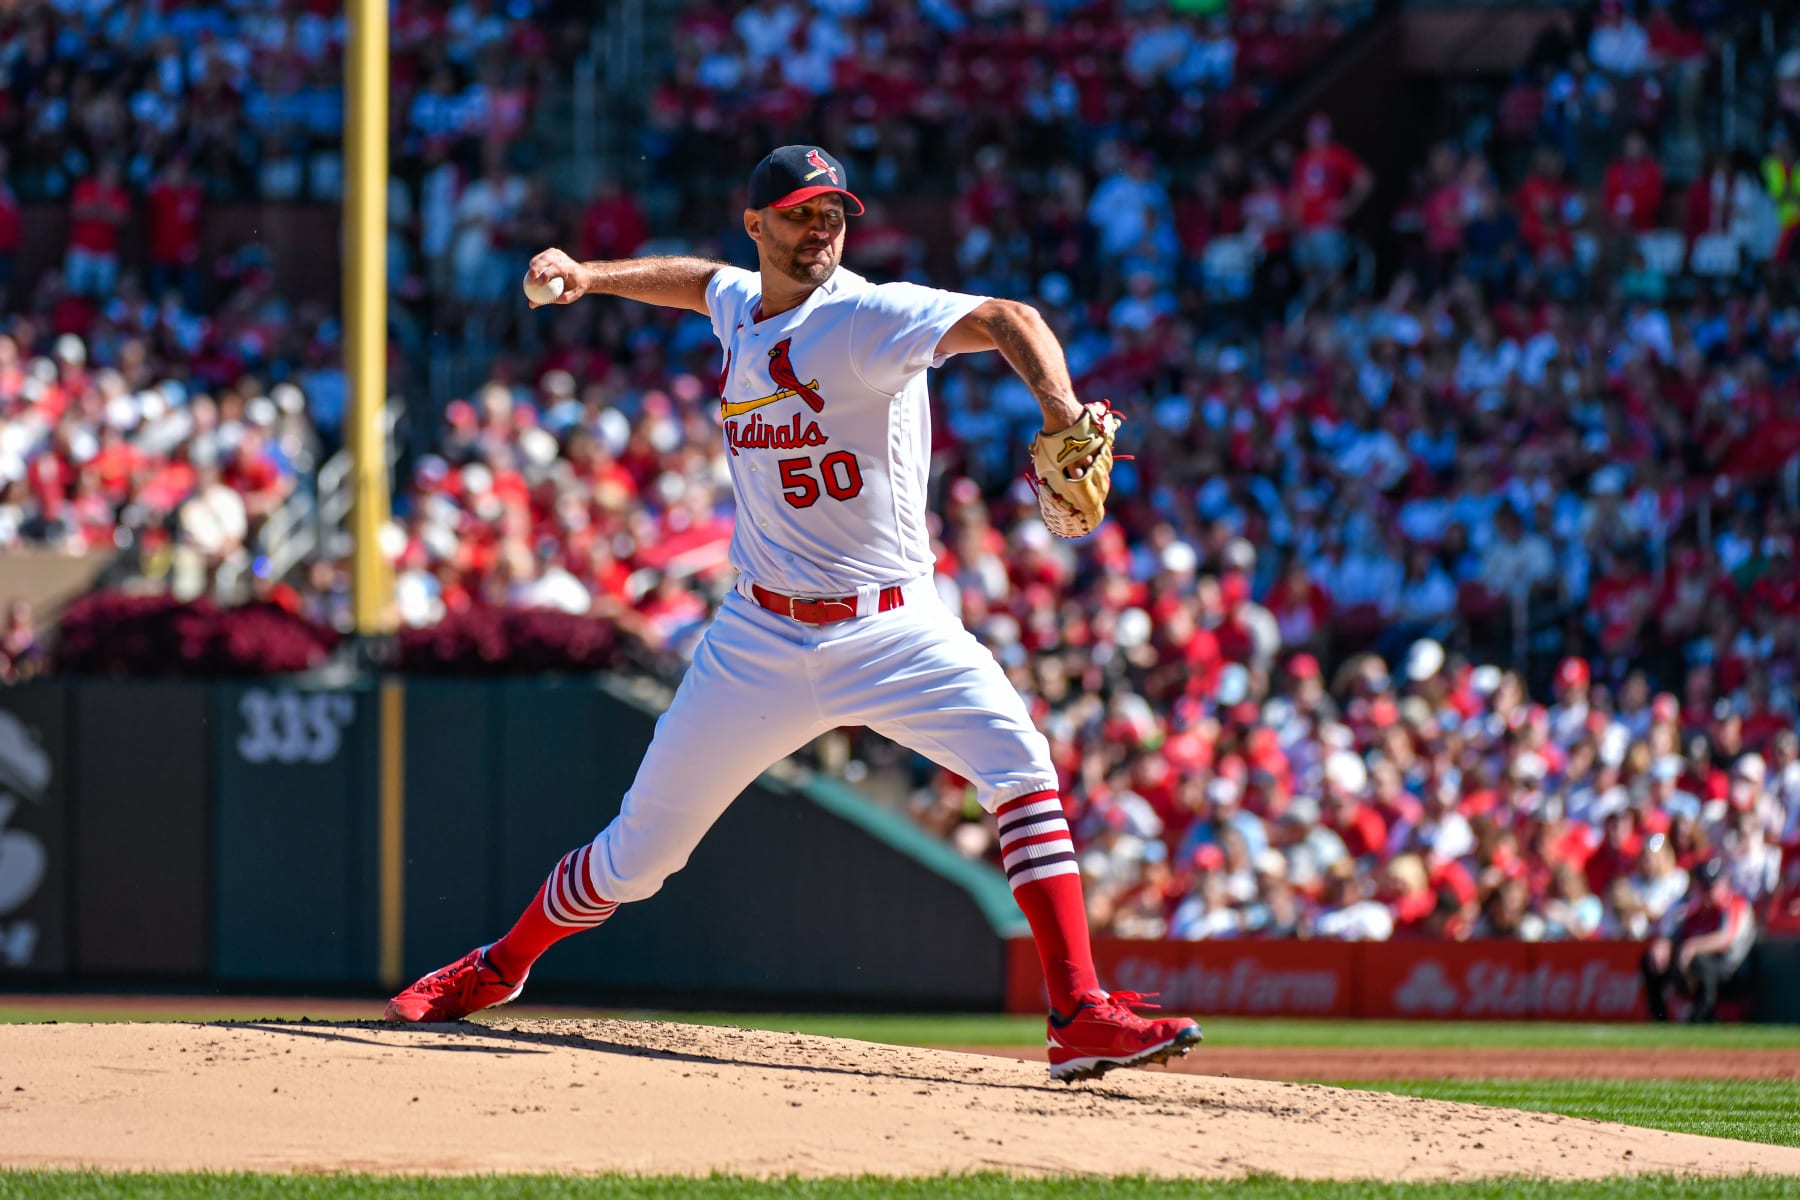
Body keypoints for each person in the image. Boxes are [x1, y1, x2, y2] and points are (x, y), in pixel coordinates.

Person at [384, 145, 1203, 1082]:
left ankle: (1077, 1013)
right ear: (759, 225)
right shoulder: (744, 304)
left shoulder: (865, 316)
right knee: (635, 860)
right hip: (757, 637)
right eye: (803, 212)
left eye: (836, 214)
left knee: (1020, 768)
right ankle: (498, 967)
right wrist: (588, 275)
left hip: (891, 624)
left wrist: (1059, 414)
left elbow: (1010, 317)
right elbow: (700, 283)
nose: (823, 228)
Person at [1639, 857, 1755, 1023]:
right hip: (1691, 963)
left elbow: (1726, 938)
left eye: (1712, 886)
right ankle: (1659, 1018)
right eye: (1704, 886)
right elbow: (1674, 934)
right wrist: (1664, 944)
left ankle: (1700, 1017)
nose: (1708, 892)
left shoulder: (1734, 904)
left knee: (1700, 962)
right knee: (1651, 960)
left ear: (1724, 884)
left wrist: (1692, 947)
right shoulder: (1694, 908)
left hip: (1731, 968)